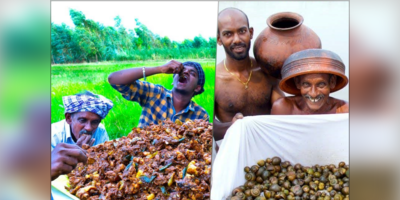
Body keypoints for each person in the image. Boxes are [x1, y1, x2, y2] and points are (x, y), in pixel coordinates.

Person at [214, 7, 284, 141]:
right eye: (228, 34)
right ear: (219, 39)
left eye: (242, 31)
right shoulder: (214, 80)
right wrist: (234, 126)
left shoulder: (267, 72)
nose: (237, 40)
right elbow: (212, 129)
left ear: (250, 33)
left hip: (269, 151)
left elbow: (282, 115)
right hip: (233, 153)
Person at [108, 60, 209, 127]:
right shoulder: (154, 93)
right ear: (173, 80)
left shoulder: (201, 116)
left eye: (192, 73)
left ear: (197, 88)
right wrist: (159, 69)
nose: (185, 72)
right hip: (141, 158)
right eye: (182, 70)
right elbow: (113, 79)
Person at [51, 90, 113, 180]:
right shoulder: (52, 135)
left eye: (95, 122)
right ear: (69, 118)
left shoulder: (100, 131)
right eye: (82, 120)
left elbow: (104, 163)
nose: (88, 128)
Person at [271, 49, 349, 115]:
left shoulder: (343, 111)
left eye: (321, 84)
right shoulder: (285, 108)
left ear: (332, 82)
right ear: (298, 83)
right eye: (306, 85)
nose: (313, 93)